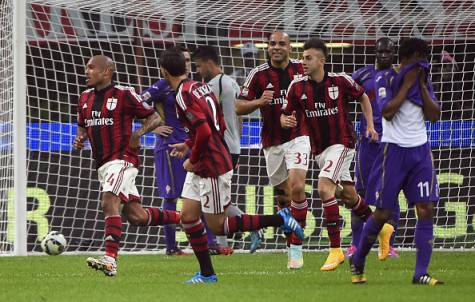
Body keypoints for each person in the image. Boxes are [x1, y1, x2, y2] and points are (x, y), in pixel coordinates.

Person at [160, 47, 304, 283]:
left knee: (218, 226)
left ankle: (281, 219)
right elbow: (217, 123)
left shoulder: (183, 95)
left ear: (164, 71)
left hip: (211, 165)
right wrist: (188, 143)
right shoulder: (199, 87)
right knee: (188, 217)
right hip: (207, 158)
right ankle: (207, 274)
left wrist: (192, 158)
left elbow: (206, 131)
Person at [280, 38, 387, 271]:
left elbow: (363, 97)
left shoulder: (340, 81)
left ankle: (335, 249)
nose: (303, 62)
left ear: (322, 60)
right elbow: (284, 114)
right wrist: (286, 120)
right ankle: (381, 228)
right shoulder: (296, 87)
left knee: (323, 188)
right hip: (320, 149)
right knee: (348, 196)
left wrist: (370, 125)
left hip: (343, 143)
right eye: (303, 57)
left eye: (308, 58)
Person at [74, 55, 181, 276]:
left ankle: (110, 259)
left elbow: (154, 118)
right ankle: (187, 219)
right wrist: (80, 138)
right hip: (102, 165)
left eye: (92, 68)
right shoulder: (84, 98)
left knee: (109, 200)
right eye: (86, 68)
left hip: (123, 159)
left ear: (107, 72)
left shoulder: (124, 94)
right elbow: (82, 126)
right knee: (137, 216)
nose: (87, 71)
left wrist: (137, 133)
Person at [350, 38, 443, 285]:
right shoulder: (385, 79)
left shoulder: (423, 81)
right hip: (392, 153)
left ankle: (420, 273)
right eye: (420, 59)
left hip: (420, 152)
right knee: (382, 213)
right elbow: (388, 112)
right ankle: (358, 259)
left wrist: (421, 86)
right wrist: (409, 84)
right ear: (408, 59)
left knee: (426, 208)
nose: (424, 64)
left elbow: (434, 115)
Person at [141, 47, 232, 256]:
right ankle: (171, 247)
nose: (187, 64)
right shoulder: (162, 87)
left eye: (189, 60)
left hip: (192, 144)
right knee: (172, 197)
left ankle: (210, 243)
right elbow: (138, 102)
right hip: (170, 147)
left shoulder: (193, 87)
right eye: (184, 61)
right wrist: (154, 126)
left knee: (201, 194)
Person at [235, 31, 308, 268]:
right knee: (283, 195)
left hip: (299, 137)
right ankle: (291, 240)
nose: (276, 47)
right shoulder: (258, 74)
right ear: (267, 47)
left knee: (297, 186)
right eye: (272, 44)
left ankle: (296, 248)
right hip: (272, 141)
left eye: (282, 44)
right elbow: (237, 106)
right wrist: (258, 102)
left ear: (290, 47)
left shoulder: (301, 69)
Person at [193, 45, 264, 253]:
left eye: (198, 66)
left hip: (220, 148)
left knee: (216, 200)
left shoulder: (216, 86)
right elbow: (236, 116)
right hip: (230, 146)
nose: (197, 71)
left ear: (208, 63)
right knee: (216, 199)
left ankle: (245, 231)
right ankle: (223, 243)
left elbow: (210, 120)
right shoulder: (231, 82)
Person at [347, 38, 399, 260]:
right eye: (381, 51)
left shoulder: (400, 78)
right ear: (375, 52)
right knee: (360, 193)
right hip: (368, 144)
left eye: (389, 51)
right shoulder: (362, 75)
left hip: (392, 143)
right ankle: (356, 244)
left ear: (394, 53)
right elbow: (342, 97)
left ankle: (389, 245)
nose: (385, 55)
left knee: (391, 192)